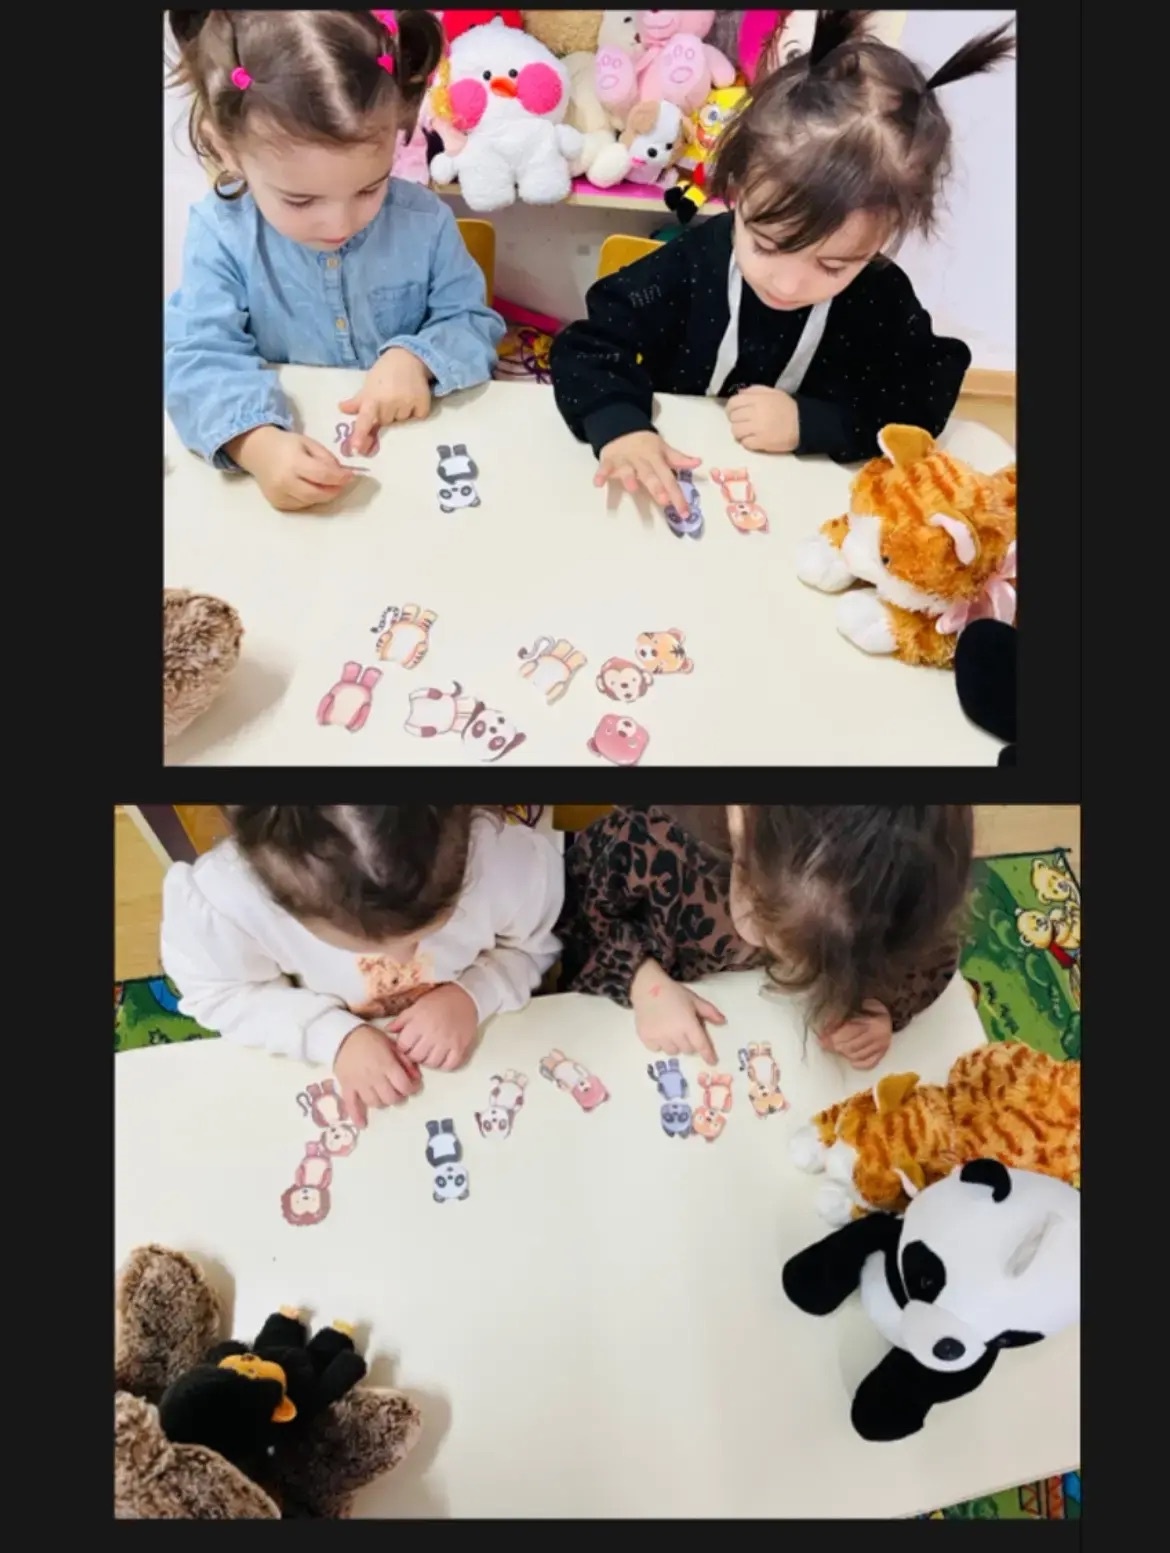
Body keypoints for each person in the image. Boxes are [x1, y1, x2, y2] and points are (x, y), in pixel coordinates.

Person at [549, 10, 1014, 514]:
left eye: (833, 266)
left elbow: (923, 398)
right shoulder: (691, 265)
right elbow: (588, 348)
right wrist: (621, 427)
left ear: (887, 233)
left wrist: (814, 424)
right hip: (685, 490)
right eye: (768, 245)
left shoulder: (881, 299)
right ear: (737, 190)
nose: (789, 285)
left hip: (808, 513)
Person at [164, 10, 505, 512]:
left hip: (411, 474)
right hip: (290, 472)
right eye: (301, 200)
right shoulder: (220, 234)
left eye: (370, 187)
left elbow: (471, 321)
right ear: (227, 150)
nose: (340, 223)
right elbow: (198, 354)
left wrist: (418, 358)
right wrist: (254, 443)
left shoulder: (426, 221)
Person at [160, 807, 563, 1126]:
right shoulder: (228, 904)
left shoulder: (505, 863)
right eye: (359, 945)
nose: (403, 960)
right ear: (283, 902)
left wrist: (475, 994)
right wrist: (331, 1036)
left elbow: (533, 947)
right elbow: (219, 994)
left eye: (428, 931)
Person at [557, 805, 973, 1071]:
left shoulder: (910, 908)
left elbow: (932, 964)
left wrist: (885, 1013)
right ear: (739, 822)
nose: (758, 943)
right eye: (763, 915)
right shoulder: (653, 839)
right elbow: (573, 913)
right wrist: (641, 980)